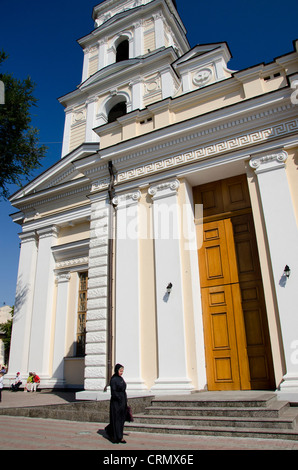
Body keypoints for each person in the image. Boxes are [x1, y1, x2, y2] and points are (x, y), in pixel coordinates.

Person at [105, 364, 127, 444]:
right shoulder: (113, 379)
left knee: (121, 420)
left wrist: (124, 401)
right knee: (116, 419)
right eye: (120, 371)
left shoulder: (121, 378)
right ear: (116, 370)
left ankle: (120, 436)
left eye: (122, 371)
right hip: (116, 402)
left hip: (122, 401)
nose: (122, 373)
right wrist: (119, 398)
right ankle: (115, 437)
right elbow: (113, 392)